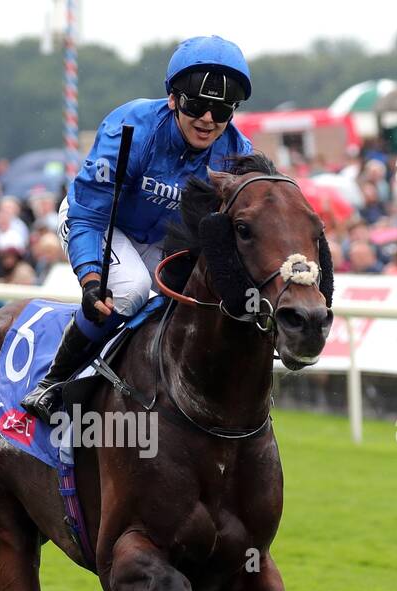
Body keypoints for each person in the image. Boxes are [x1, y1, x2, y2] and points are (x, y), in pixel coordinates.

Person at [21, 35, 253, 422]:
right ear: (174, 99)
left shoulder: (236, 155)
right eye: (197, 105)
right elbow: (90, 213)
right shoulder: (132, 128)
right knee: (128, 291)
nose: (208, 120)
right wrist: (92, 278)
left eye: (221, 110)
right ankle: (54, 383)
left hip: (163, 242)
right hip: (97, 221)